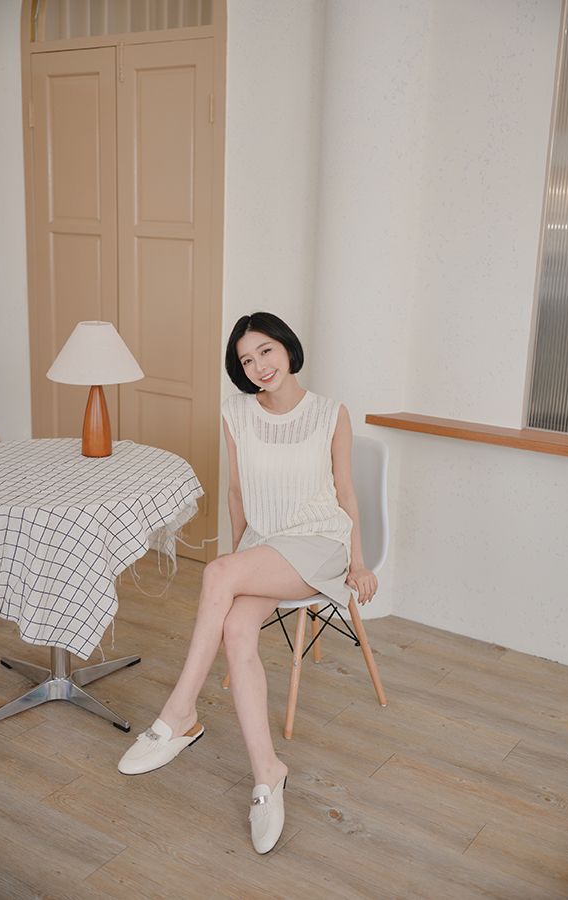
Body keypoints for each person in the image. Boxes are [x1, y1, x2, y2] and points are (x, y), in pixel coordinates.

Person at [117, 311, 377, 854]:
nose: (259, 365)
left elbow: (346, 492)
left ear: (287, 348)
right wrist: (241, 562)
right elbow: (237, 493)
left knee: (217, 571)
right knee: (235, 626)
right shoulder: (235, 412)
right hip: (266, 546)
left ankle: (178, 716)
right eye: (246, 359)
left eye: (266, 351)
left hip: (319, 542)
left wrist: (359, 561)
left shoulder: (330, 413)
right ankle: (268, 774)